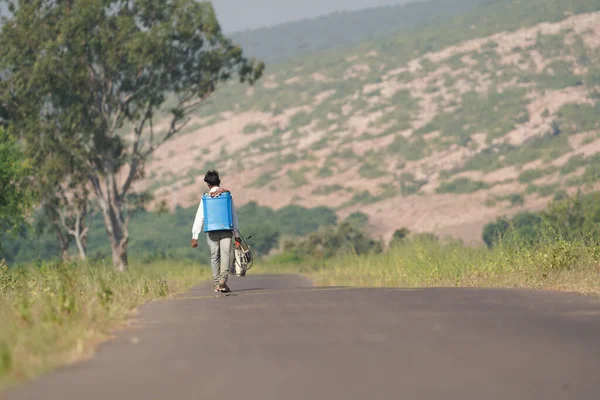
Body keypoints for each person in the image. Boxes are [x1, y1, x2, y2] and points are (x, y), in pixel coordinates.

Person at [191, 170, 240, 293]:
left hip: (211, 231)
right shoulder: (227, 195)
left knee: (214, 256)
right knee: (225, 255)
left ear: (208, 184)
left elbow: (200, 216)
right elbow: (233, 215)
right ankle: (223, 280)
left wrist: (195, 236)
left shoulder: (206, 198)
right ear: (219, 181)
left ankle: (217, 283)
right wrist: (237, 235)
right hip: (226, 230)